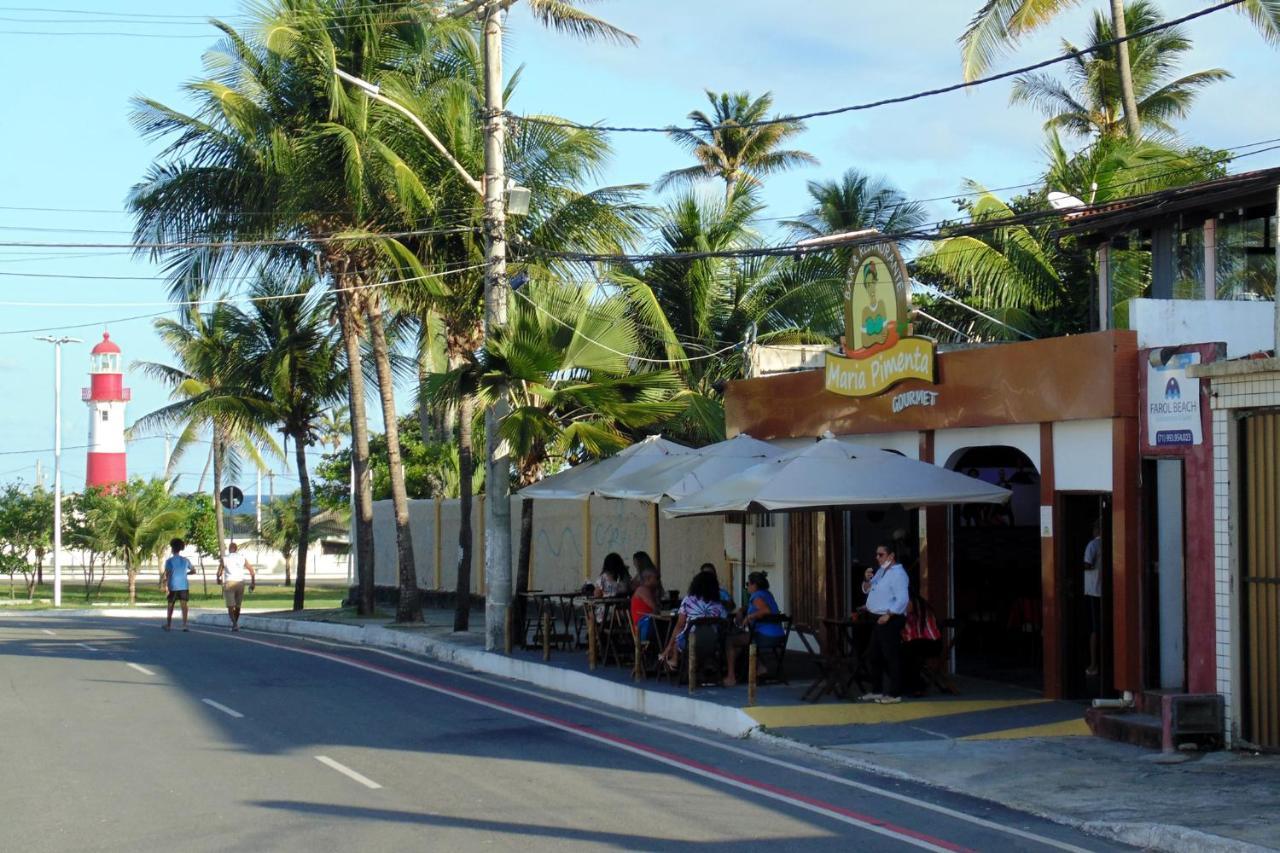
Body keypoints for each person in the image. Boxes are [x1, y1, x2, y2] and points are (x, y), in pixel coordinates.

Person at [860, 543, 910, 704]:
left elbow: (903, 598)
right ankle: (877, 689)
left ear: (891, 556)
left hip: (890, 618)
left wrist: (889, 614)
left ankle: (895, 693)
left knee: (891, 655)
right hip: (878, 617)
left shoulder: (898, 574)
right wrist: (866, 580)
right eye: (877, 554)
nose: (877, 558)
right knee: (874, 655)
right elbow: (869, 589)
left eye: (881, 555)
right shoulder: (881, 571)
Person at [724, 571, 784, 687]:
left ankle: (731, 676)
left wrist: (749, 617)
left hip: (765, 637)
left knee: (730, 641)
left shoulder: (756, 596)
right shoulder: (767, 594)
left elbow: (766, 610)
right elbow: (756, 607)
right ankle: (759, 666)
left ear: (754, 585)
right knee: (746, 639)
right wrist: (743, 609)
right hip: (779, 636)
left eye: (748, 584)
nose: (747, 587)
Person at [658, 569, 727, 670]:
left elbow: (680, 625)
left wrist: (668, 647)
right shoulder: (718, 605)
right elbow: (725, 622)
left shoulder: (688, 600)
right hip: (713, 643)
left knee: (681, 633)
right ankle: (708, 663)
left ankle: (674, 659)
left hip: (690, 643)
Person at [217, 541, 255, 632]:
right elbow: (251, 570)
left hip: (229, 582)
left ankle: (234, 624)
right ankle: (235, 624)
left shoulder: (225, 558)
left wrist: (218, 579)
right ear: (236, 549)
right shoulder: (242, 558)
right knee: (238, 606)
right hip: (240, 582)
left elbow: (219, 572)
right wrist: (253, 582)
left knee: (230, 606)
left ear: (229, 549)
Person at [162, 538, 196, 632]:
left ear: (173, 549)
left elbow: (167, 574)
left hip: (173, 585)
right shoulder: (185, 560)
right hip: (183, 585)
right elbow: (194, 571)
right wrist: (186, 574)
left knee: (170, 605)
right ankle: (184, 625)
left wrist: (165, 585)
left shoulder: (169, 561)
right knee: (184, 605)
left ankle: (168, 625)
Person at [1083, 521, 1103, 677]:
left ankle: (1093, 664)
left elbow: (1087, 564)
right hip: (1104, 590)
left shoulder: (1092, 545)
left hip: (1093, 590)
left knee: (1094, 629)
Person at [630, 568, 661, 643]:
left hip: (645, 625)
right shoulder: (642, 590)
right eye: (656, 578)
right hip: (643, 626)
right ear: (648, 578)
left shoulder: (649, 591)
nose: (658, 581)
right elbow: (655, 607)